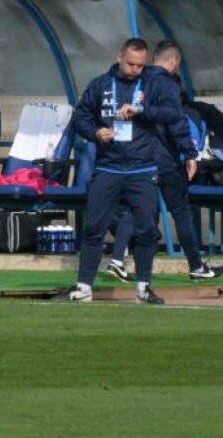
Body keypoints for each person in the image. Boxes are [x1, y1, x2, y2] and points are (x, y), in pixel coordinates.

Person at [68, 38, 182, 304]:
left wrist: (141, 110)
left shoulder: (154, 83)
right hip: (108, 167)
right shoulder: (100, 84)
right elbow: (80, 117)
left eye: (140, 65)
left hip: (143, 167)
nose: (135, 69)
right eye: (131, 63)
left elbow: (173, 113)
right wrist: (96, 133)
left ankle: (143, 287)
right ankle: (84, 286)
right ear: (119, 57)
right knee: (94, 227)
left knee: (145, 230)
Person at [108, 40, 220, 281]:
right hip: (163, 157)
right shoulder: (167, 84)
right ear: (175, 61)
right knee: (180, 210)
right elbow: (176, 122)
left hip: (137, 155)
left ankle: (117, 259)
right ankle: (196, 267)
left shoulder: (136, 79)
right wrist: (189, 154)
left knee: (133, 208)